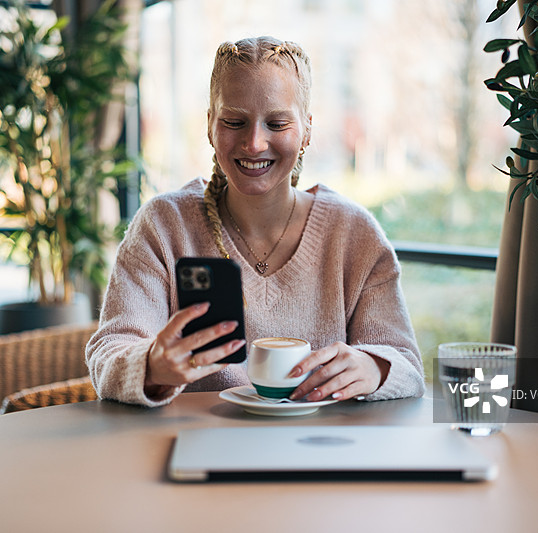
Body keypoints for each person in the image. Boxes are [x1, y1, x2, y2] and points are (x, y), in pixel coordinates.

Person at [86, 36, 424, 407]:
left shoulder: (354, 234)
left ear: (307, 130)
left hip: (321, 450)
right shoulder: (164, 226)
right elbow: (109, 352)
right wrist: (151, 365)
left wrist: (374, 367)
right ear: (210, 124)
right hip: (200, 445)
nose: (255, 143)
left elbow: (406, 365)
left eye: (277, 124)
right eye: (234, 121)